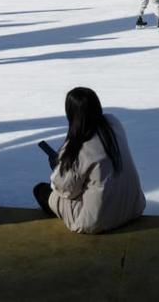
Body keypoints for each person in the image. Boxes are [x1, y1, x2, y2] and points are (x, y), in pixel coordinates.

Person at [32, 87, 145, 234]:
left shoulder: (77, 146)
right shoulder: (113, 123)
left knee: (41, 190)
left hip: (97, 220)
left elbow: (66, 190)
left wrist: (58, 168)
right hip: (134, 207)